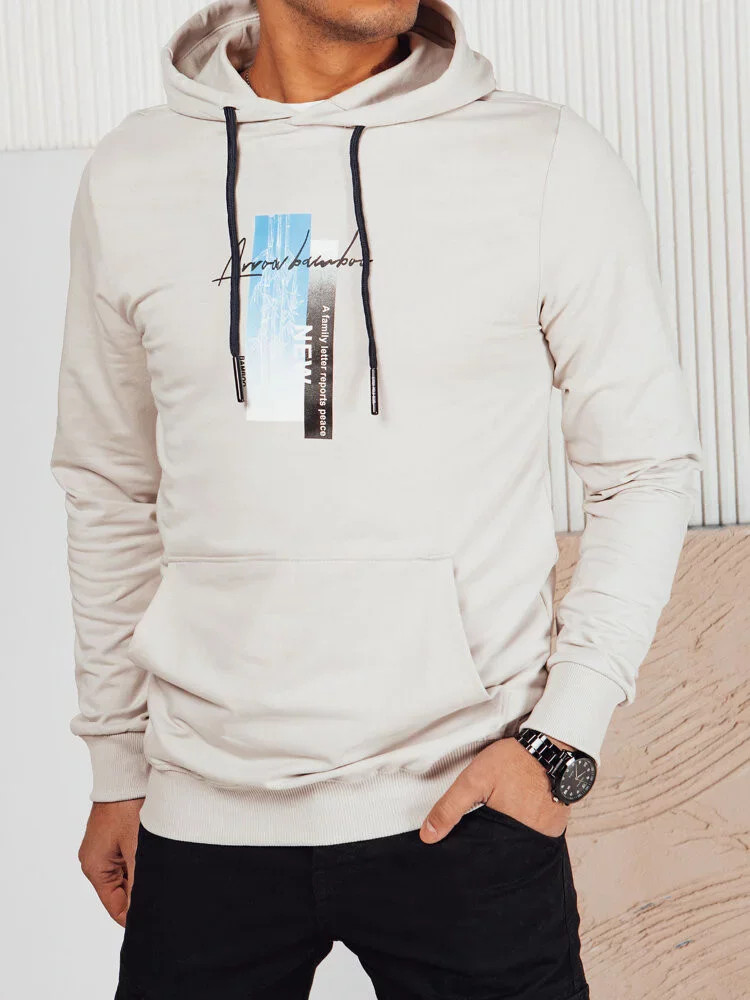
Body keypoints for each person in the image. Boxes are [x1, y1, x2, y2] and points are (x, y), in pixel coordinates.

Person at [50, 0, 702, 997]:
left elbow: (644, 466)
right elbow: (108, 484)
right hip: (204, 813)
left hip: (466, 805)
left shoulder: (543, 161)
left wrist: (562, 740)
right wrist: (116, 764)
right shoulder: (135, 177)